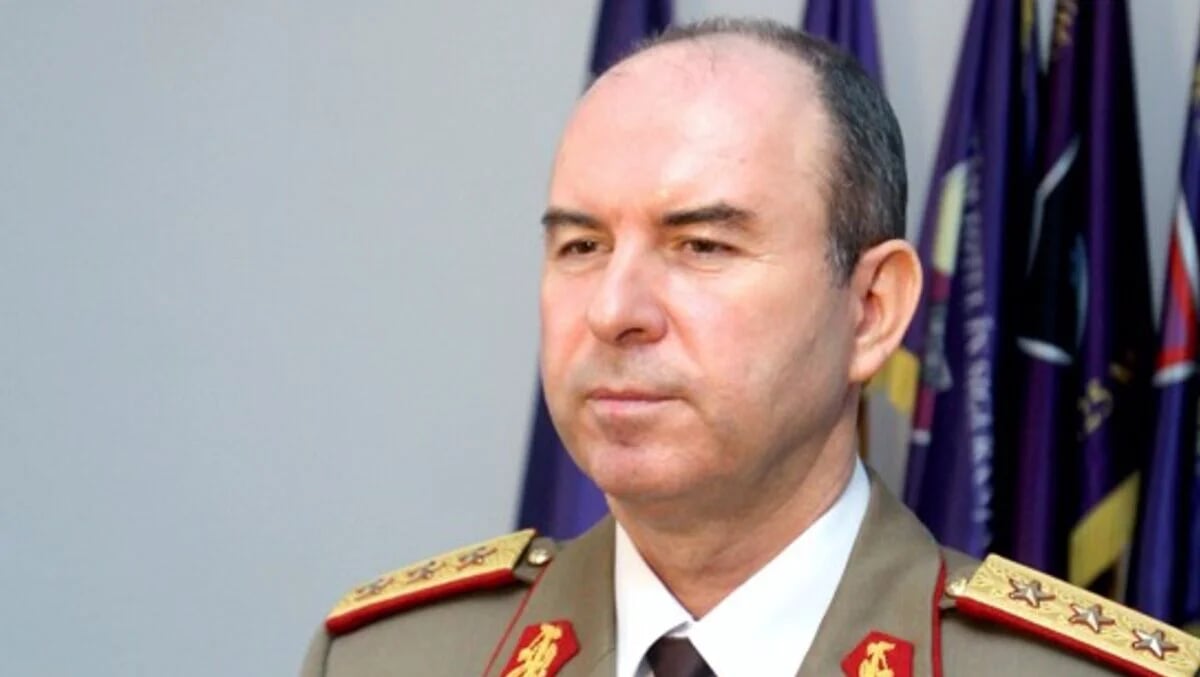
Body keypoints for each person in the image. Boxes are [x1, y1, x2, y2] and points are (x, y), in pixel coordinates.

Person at [301, 18, 1199, 677]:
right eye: (581, 245)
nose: (613, 310)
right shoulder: (388, 658)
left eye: (701, 245)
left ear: (873, 310)